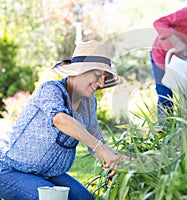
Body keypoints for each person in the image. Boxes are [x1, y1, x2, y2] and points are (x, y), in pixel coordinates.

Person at [0, 40, 129, 200]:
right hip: (10, 169)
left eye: (105, 77)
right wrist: (101, 149)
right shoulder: (51, 90)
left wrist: (119, 159)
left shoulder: (89, 102)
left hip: (48, 173)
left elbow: (95, 139)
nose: (102, 83)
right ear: (79, 71)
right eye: (97, 75)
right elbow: (60, 119)